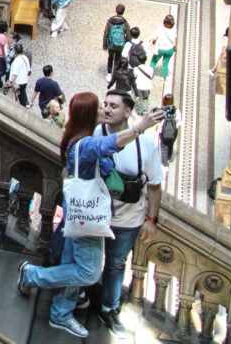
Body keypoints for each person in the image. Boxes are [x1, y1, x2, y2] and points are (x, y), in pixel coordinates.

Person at [17, 93, 168, 338]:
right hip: (89, 215)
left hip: (85, 212)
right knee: (88, 271)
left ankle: (60, 313)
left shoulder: (82, 137)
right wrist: (140, 127)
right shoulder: (86, 143)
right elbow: (107, 147)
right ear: (89, 116)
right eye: (101, 107)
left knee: (73, 262)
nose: (104, 110)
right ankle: (32, 275)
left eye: (110, 106)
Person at [94, 91, 165, 333]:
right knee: (88, 258)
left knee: (115, 263)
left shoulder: (146, 145)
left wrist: (151, 219)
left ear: (127, 112)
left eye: (113, 106)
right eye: (105, 104)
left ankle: (109, 308)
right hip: (95, 214)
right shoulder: (96, 132)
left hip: (127, 219)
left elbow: (154, 186)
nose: (107, 109)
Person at [104, 4, 130, 76]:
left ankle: (109, 74)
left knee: (110, 58)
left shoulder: (110, 21)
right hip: (120, 45)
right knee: (118, 59)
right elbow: (128, 35)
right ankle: (115, 74)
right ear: (123, 12)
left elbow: (106, 33)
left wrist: (105, 45)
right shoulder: (124, 22)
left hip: (111, 44)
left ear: (116, 10)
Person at [10, 42, 33, 107]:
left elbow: (15, 74)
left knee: (19, 96)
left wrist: (10, 82)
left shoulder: (16, 61)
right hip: (24, 81)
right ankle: (27, 105)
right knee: (23, 93)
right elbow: (28, 70)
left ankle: (24, 107)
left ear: (15, 51)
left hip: (18, 82)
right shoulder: (25, 58)